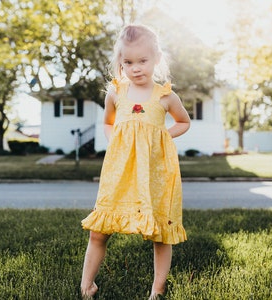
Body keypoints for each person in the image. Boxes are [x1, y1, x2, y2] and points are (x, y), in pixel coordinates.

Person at [80, 24, 191, 300]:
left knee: (160, 233)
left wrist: (162, 136)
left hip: (154, 172)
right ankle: (86, 286)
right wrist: (114, 140)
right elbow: (108, 123)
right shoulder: (116, 93)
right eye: (128, 62)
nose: (136, 68)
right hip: (119, 171)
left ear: (156, 59)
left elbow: (184, 122)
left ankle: (157, 289)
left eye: (143, 61)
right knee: (99, 230)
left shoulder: (164, 96)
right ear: (120, 62)